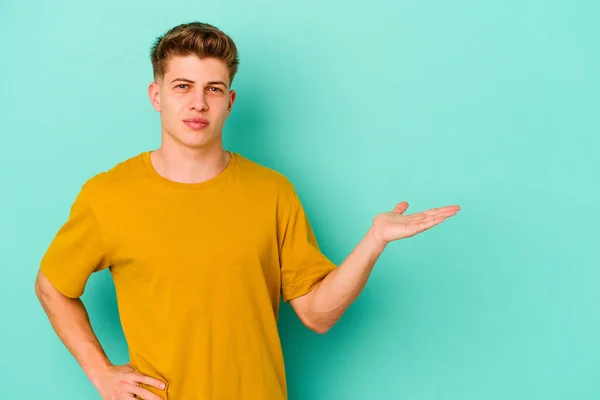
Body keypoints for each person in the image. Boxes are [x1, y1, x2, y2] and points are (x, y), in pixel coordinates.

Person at [34, 21, 461, 400]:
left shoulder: (272, 192)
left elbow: (317, 315)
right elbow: (52, 286)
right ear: (156, 95)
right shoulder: (109, 195)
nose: (199, 103)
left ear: (230, 100)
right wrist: (102, 374)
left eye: (213, 89)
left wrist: (374, 241)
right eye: (183, 86)